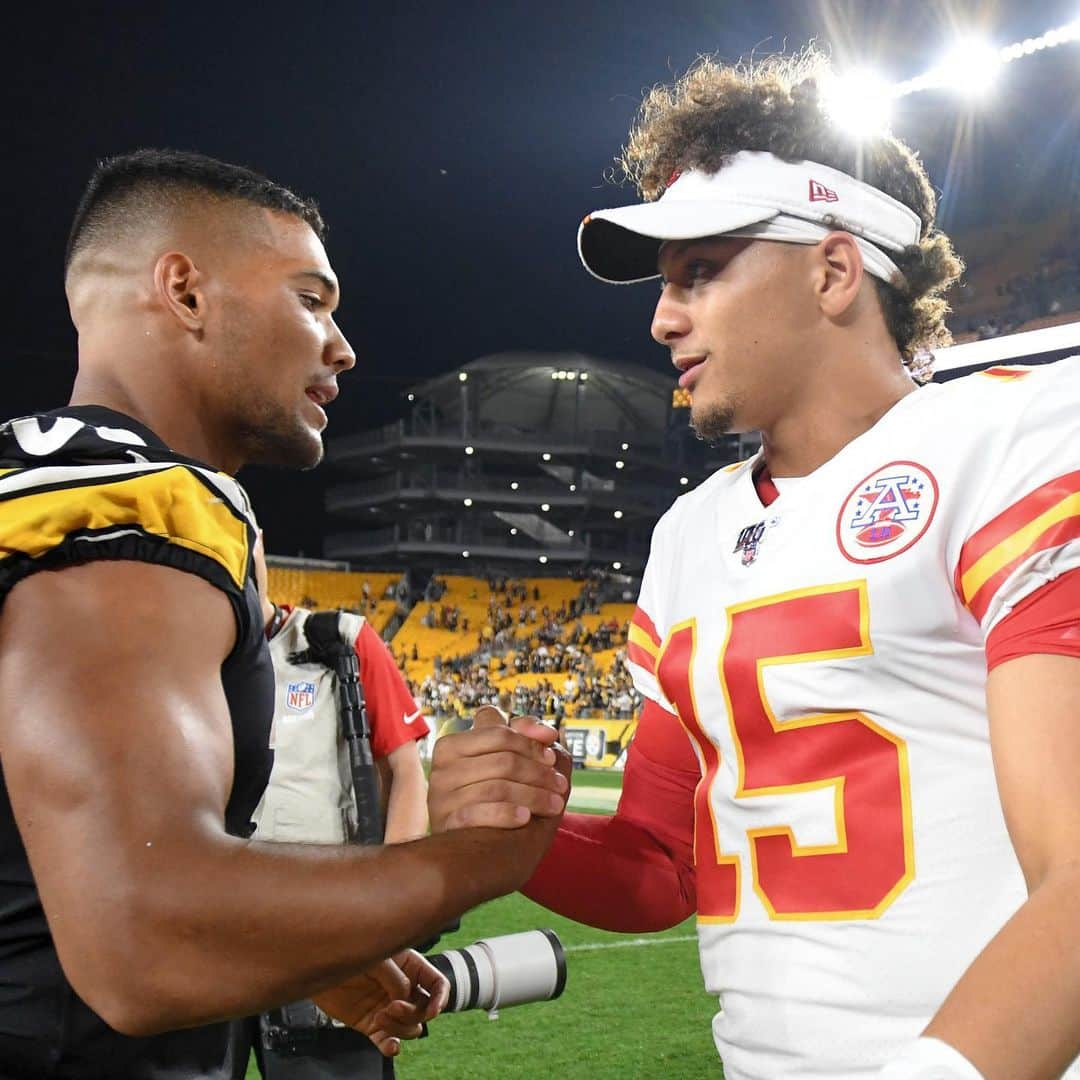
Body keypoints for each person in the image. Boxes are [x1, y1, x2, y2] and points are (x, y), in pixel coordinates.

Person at [427, 51, 1080, 1080]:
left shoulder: (1015, 437)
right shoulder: (691, 533)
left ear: (832, 271)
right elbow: (658, 866)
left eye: (703, 271)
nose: (663, 318)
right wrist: (514, 826)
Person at [0, 148, 569, 1079]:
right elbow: (143, 936)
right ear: (184, 291)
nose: (342, 347)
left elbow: (40, 892)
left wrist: (278, 959)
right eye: (312, 300)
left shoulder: (37, 482)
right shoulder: (139, 505)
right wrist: (476, 857)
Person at [232, 540, 430, 1079]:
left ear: (259, 557)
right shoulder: (180, 666)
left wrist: (393, 902)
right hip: (214, 946)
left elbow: (408, 772)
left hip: (327, 940)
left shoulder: (339, 643)